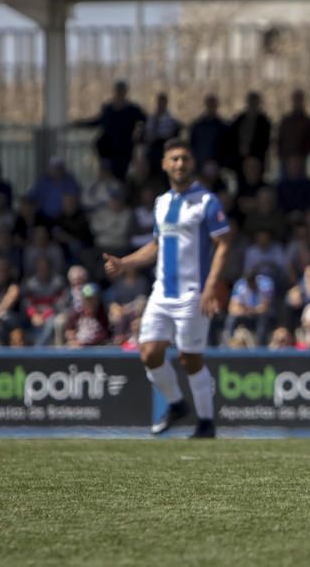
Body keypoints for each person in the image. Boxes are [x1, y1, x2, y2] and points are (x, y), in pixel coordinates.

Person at [104, 139, 232, 439]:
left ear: (192, 164)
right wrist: (125, 264)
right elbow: (157, 245)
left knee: (190, 359)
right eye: (174, 159)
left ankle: (205, 423)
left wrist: (211, 286)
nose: (179, 164)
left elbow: (224, 244)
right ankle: (176, 404)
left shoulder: (206, 201)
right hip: (162, 292)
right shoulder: (162, 203)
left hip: (193, 293)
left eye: (185, 159)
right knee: (148, 352)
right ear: (164, 164)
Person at [82, 81, 147, 181]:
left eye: (122, 91)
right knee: (107, 175)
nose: (120, 93)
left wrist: (140, 137)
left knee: (122, 176)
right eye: (118, 91)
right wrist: (81, 124)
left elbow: (145, 121)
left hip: (124, 149)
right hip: (107, 150)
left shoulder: (132, 109)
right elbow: (98, 121)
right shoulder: (108, 109)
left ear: (125, 92)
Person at [228, 91, 272, 174]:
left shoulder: (264, 121)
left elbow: (265, 141)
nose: (253, 104)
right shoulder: (240, 119)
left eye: (255, 102)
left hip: (257, 159)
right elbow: (232, 138)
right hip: (240, 159)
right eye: (251, 101)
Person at [278, 89, 310, 176]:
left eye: (299, 100)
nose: (297, 102)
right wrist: (283, 154)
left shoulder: (307, 121)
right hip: (286, 157)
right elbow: (280, 139)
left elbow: (309, 141)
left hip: (301, 158)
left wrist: (301, 155)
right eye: (295, 99)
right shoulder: (286, 120)